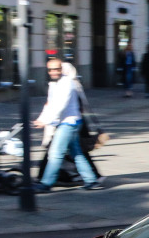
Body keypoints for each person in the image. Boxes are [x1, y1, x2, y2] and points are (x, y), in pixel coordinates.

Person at [34, 59, 103, 191]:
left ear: (61, 69)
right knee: (77, 153)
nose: (53, 72)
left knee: (55, 153)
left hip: (69, 123)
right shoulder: (54, 84)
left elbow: (61, 105)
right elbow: (49, 104)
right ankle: (92, 181)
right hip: (67, 122)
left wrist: (47, 121)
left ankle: (46, 183)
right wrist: (41, 119)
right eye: (50, 70)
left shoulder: (67, 83)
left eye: (56, 69)